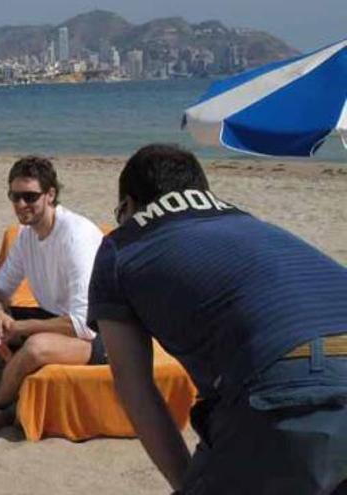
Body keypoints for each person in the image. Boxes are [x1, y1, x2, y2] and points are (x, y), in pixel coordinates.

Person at [89, 144, 347, 494]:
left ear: (130, 206)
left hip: (283, 382)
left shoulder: (120, 247)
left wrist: (186, 485)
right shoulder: (248, 222)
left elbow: (133, 385)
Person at [0, 156, 105, 436]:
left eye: (30, 197)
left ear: (50, 195)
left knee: (36, 346)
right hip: (54, 318)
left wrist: (18, 327)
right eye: (15, 196)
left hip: (101, 335)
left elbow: (83, 324)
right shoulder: (28, 235)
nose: (21, 205)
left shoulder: (76, 237)